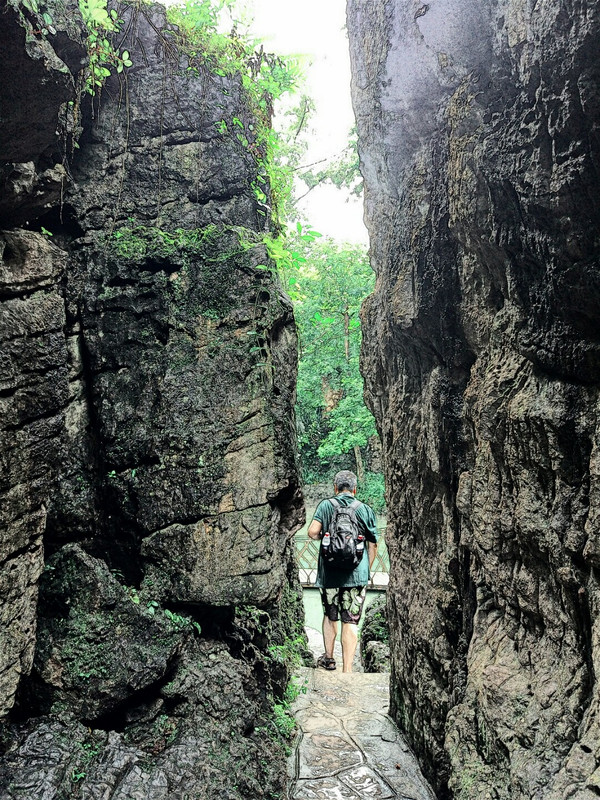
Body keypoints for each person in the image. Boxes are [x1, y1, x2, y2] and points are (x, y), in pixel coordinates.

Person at [307, 470, 378, 673]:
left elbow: (312, 532)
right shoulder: (365, 509)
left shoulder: (326, 505)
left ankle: (329, 659)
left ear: (335, 488)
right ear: (355, 489)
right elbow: (373, 544)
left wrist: (325, 536)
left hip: (329, 573)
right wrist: (365, 570)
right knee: (351, 620)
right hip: (356, 574)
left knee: (330, 615)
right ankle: (347, 670)